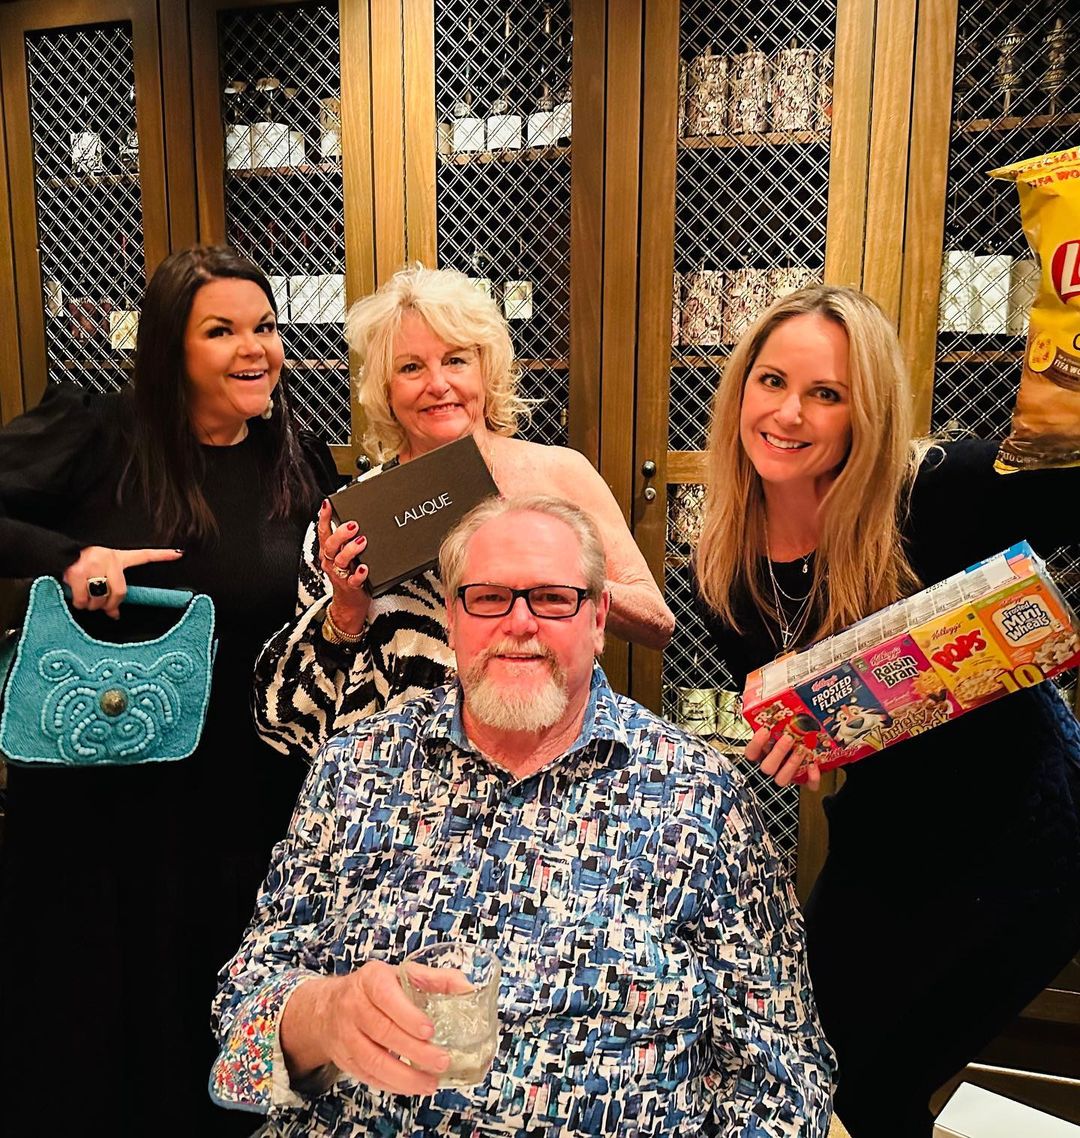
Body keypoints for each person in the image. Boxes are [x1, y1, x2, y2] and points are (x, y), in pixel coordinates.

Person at [210, 495, 834, 1136]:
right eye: (487, 598)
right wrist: (324, 1016)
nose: (519, 623)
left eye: (554, 598)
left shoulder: (700, 799)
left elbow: (787, 1081)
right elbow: (239, 1037)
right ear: (452, 617)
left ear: (598, 618)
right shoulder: (355, 770)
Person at [693, 284, 1080, 1137]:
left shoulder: (945, 490)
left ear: (866, 411)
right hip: (883, 843)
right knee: (813, 1066)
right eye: (771, 381)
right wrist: (806, 749)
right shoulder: (724, 565)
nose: (788, 414)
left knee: (872, 1085)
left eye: (826, 394)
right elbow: (821, 736)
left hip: (1026, 847)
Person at [0, 245, 341, 1136]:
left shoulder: (295, 457)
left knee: (212, 1007)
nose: (254, 348)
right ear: (168, 350)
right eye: (221, 330)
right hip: (112, 791)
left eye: (264, 327)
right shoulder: (100, 435)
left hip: (247, 791)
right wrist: (67, 560)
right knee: (108, 1017)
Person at [254, 264, 673, 757]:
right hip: (405, 779)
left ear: (486, 370)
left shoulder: (559, 473)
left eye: (455, 360)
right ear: (386, 390)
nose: (437, 383)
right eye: (411, 367)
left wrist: (550, 565)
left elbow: (657, 623)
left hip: (546, 760)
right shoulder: (354, 515)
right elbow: (299, 721)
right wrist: (347, 604)